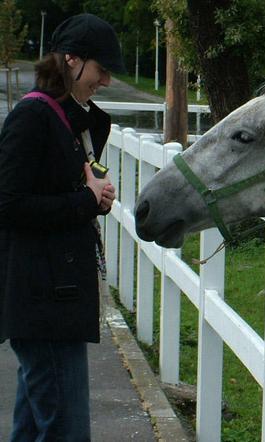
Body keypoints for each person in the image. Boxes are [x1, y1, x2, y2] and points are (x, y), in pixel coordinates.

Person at [0, 13, 125, 441]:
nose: (105, 81)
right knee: (67, 430)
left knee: (34, 427)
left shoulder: (76, 118)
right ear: (72, 60)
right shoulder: (32, 117)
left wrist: (95, 201)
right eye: (101, 70)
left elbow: (65, 192)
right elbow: (8, 205)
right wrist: (83, 202)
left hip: (56, 298)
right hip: (42, 301)